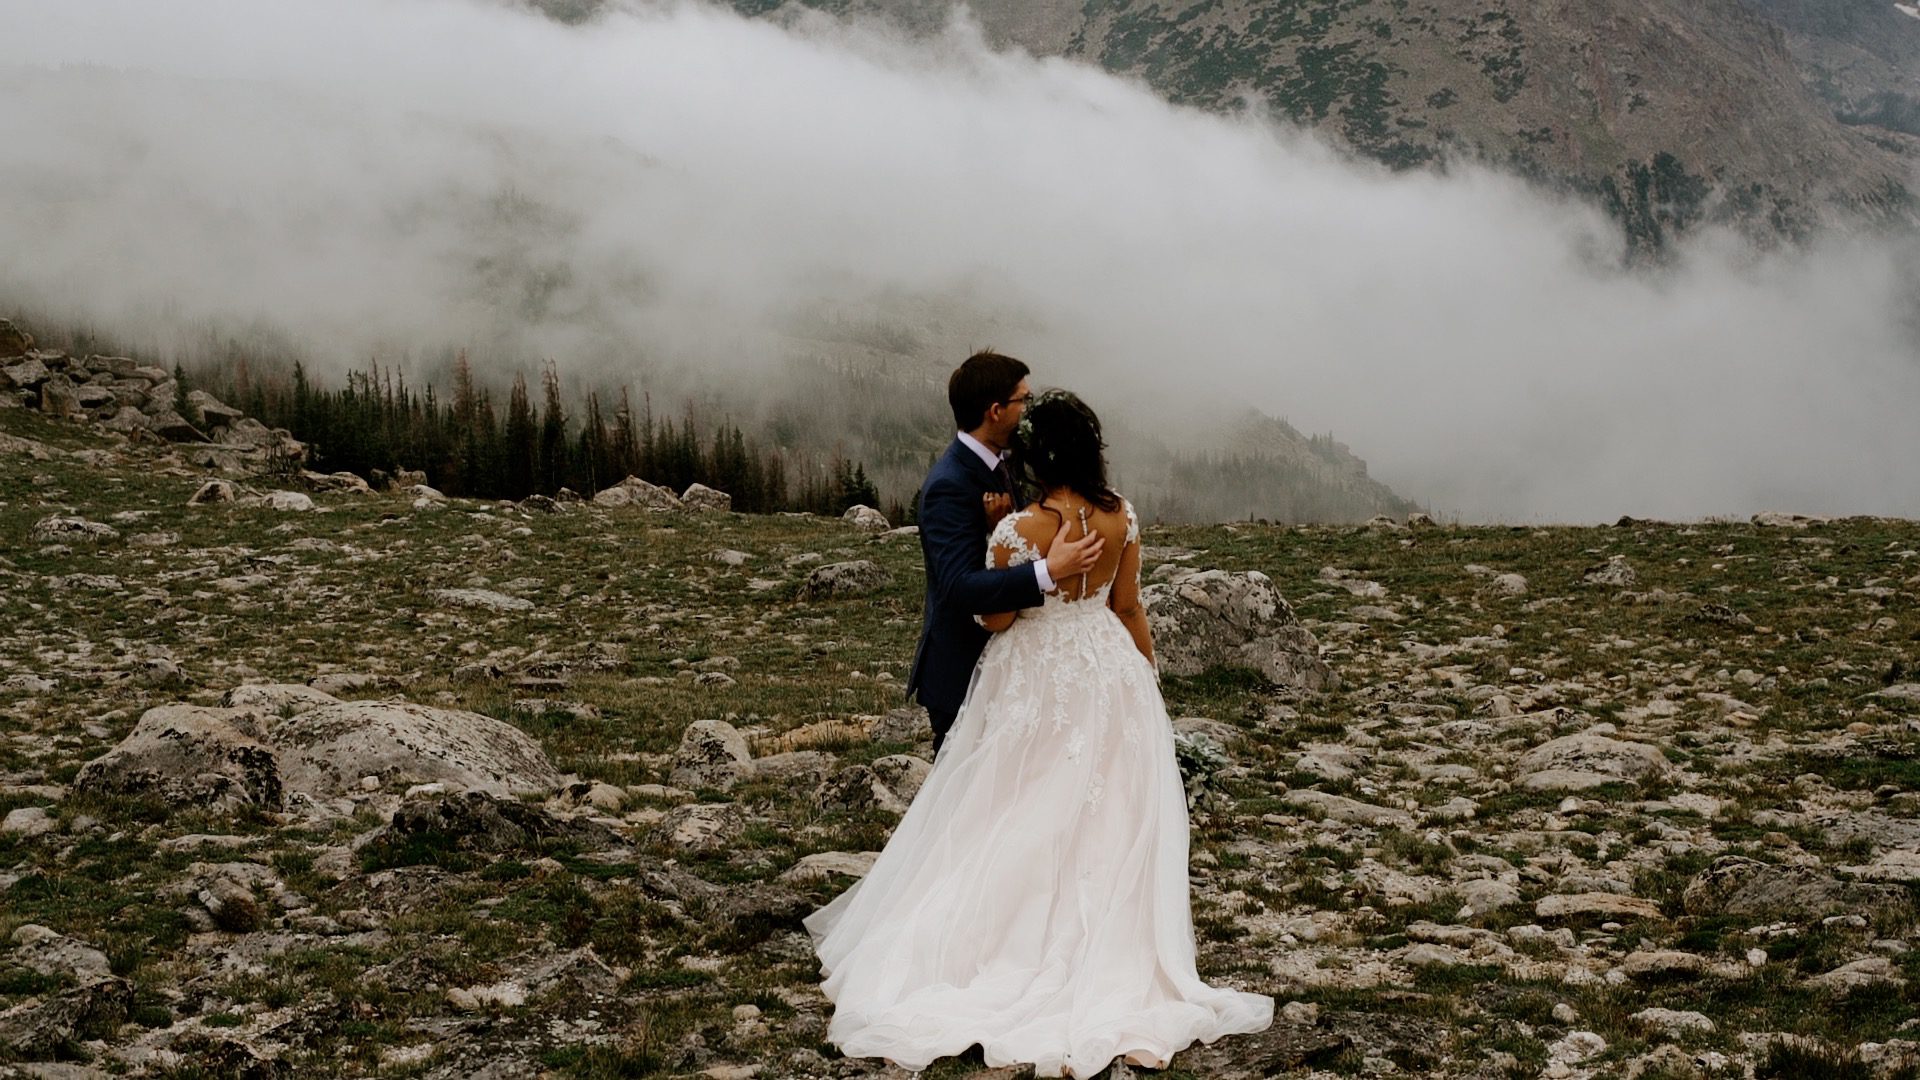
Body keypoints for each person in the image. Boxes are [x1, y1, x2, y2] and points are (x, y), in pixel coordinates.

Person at [807, 389, 1275, 1077]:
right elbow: (1128, 606)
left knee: (1016, 804)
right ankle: (1113, 951)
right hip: (1109, 671)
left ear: (1033, 454)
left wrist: (1020, 562)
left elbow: (995, 620)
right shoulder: (1120, 514)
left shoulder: (1020, 530)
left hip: (1037, 676)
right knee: (1107, 814)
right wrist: (1146, 682)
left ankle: (1004, 944)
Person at [905, 350, 1104, 754]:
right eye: (1023, 401)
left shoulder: (1005, 462)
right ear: (996, 411)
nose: (1029, 410)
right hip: (964, 674)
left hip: (1010, 670)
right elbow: (959, 587)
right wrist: (1048, 570)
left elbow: (1006, 544)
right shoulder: (950, 484)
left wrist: (1000, 529)